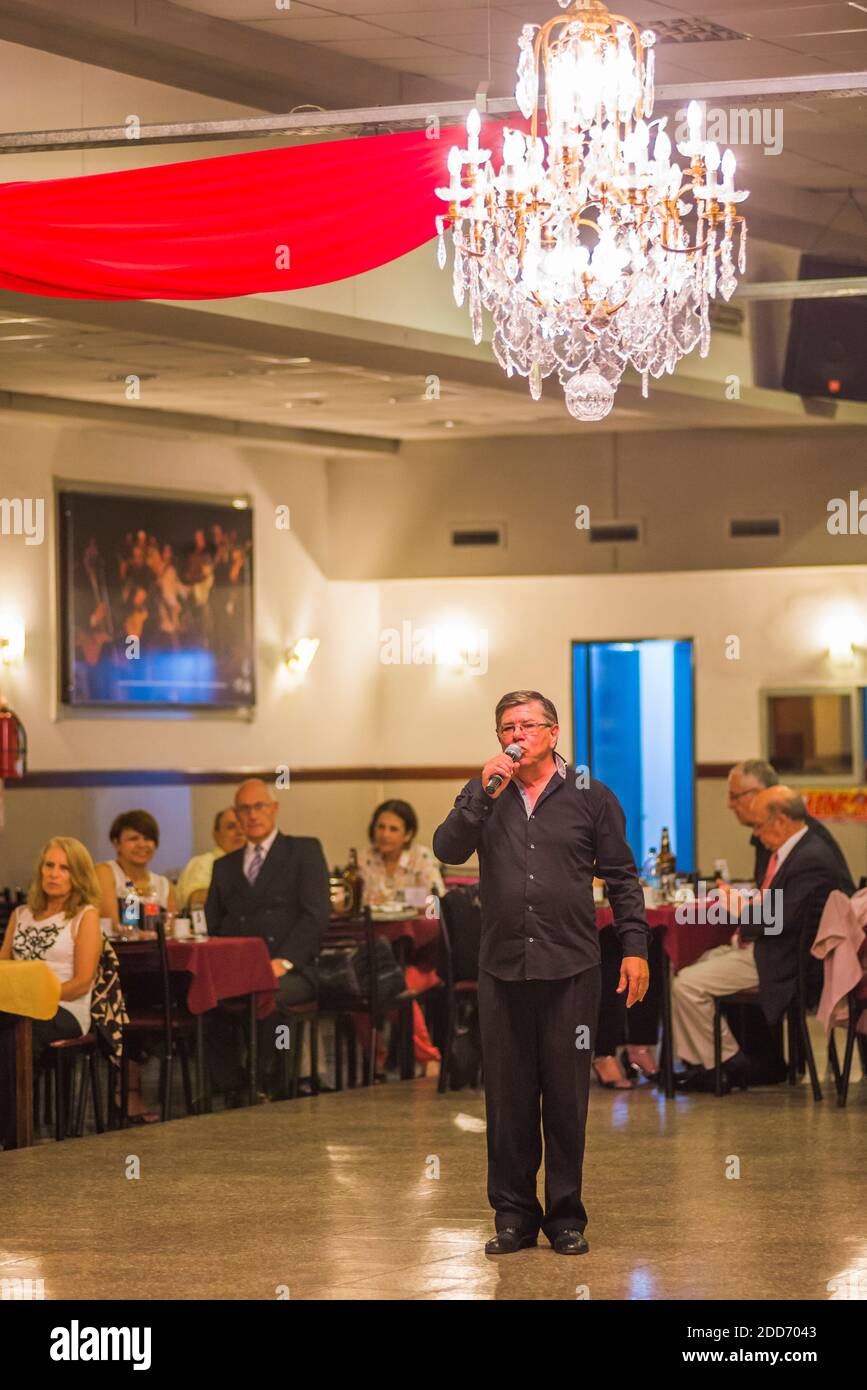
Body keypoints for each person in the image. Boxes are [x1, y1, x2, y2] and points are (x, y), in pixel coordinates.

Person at [433, 690, 649, 1255]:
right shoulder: (485, 793)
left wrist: (634, 947)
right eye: (507, 727)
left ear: (553, 733)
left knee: (565, 1094)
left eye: (529, 725)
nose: (516, 735)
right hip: (502, 967)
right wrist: (479, 795)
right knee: (506, 1097)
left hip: (571, 966)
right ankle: (512, 1216)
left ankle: (565, 1217)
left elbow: (623, 878)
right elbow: (448, 850)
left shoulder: (591, 796)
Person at [672, 787, 851, 1092]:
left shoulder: (810, 858)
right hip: (773, 948)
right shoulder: (799, 849)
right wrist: (744, 902)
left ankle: (729, 1063)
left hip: (784, 960)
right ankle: (709, 1061)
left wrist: (738, 908)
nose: (755, 834)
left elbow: (779, 920)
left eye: (757, 825)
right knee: (690, 967)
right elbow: (779, 906)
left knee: (686, 985)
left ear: (781, 821)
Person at [204, 778, 330, 1097]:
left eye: (259, 806)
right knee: (204, 997)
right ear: (235, 814)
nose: (252, 814)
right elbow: (214, 924)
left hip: (292, 967)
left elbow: (315, 914)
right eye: (244, 808)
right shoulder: (224, 866)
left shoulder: (303, 850)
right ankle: (230, 1086)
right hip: (239, 969)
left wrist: (284, 961)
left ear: (274, 809)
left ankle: (272, 1084)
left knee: (270, 999)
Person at [95, 809, 177, 1121]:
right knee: (134, 998)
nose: (141, 844)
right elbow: (112, 923)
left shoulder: (163, 883)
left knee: (172, 994)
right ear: (116, 843)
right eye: (133, 838)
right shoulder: (106, 872)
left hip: (157, 969)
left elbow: (175, 926)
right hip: (115, 971)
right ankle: (127, 1093)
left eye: (148, 838)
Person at [355, 799, 446, 1078]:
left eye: (393, 829)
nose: (384, 833)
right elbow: (356, 902)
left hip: (424, 958)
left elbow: (436, 903)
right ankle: (378, 1061)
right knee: (360, 988)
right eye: (380, 826)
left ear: (407, 834)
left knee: (397, 986)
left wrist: (398, 897)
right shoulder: (363, 859)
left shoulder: (422, 859)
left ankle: (429, 1059)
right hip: (378, 951)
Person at [0, 837, 101, 1066]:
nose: (54, 874)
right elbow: (2, 968)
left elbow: (82, 983)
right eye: (49, 865)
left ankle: (18, 1101)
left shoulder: (85, 915)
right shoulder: (20, 914)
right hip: (19, 1007)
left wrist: (35, 999)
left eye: (64, 868)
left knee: (20, 1033)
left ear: (79, 876)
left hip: (65, 1008)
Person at [722, 759, 853, 891]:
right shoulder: (768, 834)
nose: (730, 804)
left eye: (735, 796)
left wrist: (743, 907)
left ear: (758, 794)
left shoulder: (804, 840)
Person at [175, 807, 246, 911]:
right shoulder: (204, 862)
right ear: (216, 835)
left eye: (243, 826)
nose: (240, 832)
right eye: (231, 827)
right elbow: (197, 900)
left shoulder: (253, 865)